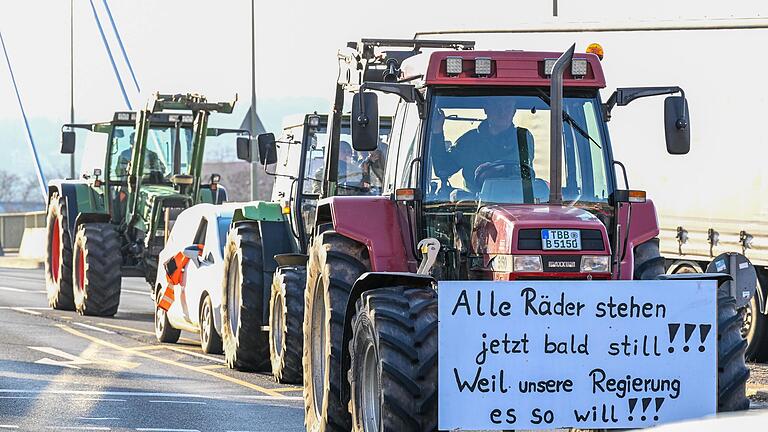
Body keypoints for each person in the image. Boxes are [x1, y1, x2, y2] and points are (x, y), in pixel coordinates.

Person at [430, 99, 534, 193]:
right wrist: (437, 131)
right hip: (473, 207)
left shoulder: (523, 138)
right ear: (486, 109)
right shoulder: (469, 141)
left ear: (514, 111)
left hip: (516, 204)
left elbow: (526, 175)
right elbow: (442, 168)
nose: (502, 112)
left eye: (507, 107)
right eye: (496, 106)